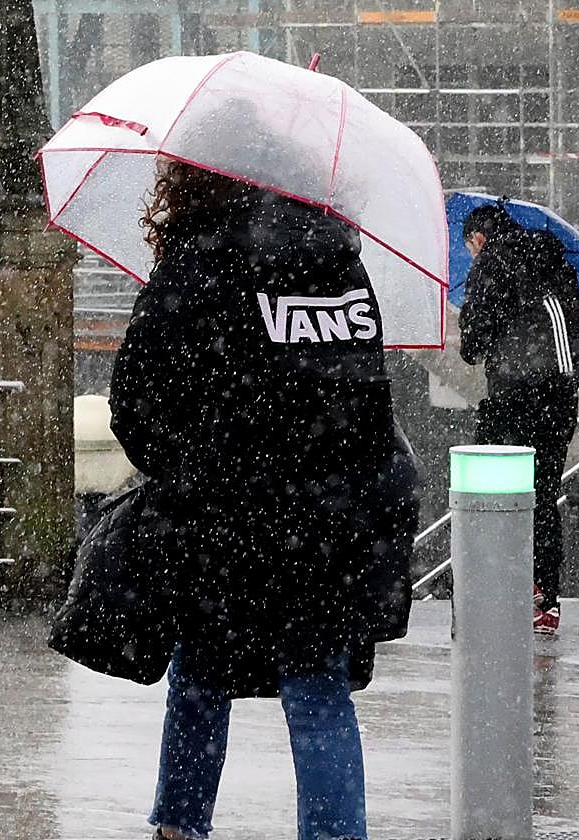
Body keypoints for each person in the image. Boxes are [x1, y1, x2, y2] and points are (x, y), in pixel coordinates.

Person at [110, 160, 418, 840]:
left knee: (200, 679)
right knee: (318, 693)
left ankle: (181, 827)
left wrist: (192, 472)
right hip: (330, 525)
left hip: (224, 520)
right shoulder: (340, 262)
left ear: (192, 175)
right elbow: (371, 408)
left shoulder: (199, 258)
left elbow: (133, 403)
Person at [458, 204, 579, 636]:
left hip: (513, 396)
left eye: (470, 248)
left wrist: (484, 326)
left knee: (488, 492)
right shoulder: (555, 260)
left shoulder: (492, 261)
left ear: (478, 237)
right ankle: (546, 599)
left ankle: (492, 590)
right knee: (544, 494)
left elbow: (472, 343)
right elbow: (577, 332)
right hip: (559, 398)